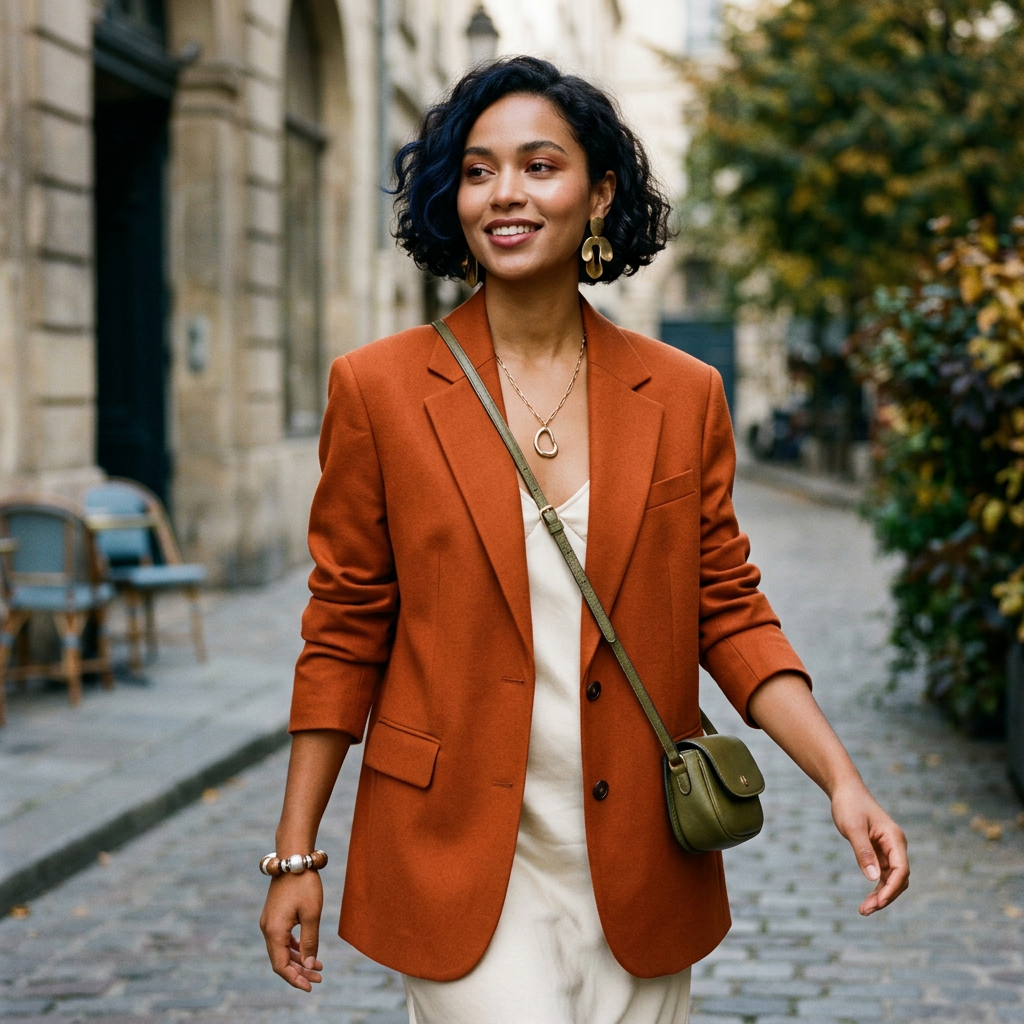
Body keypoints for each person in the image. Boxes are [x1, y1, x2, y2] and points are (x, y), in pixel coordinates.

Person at [260, 56, 909, 1024]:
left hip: (638, 846)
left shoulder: (683, 393)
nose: (505, 194)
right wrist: (296, 851)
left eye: (538, 165)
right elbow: (344, 625)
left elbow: (726, 606)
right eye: (477, 171)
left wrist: (839, 778)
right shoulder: (379, 389)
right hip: (454, 842)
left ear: (599, 191)